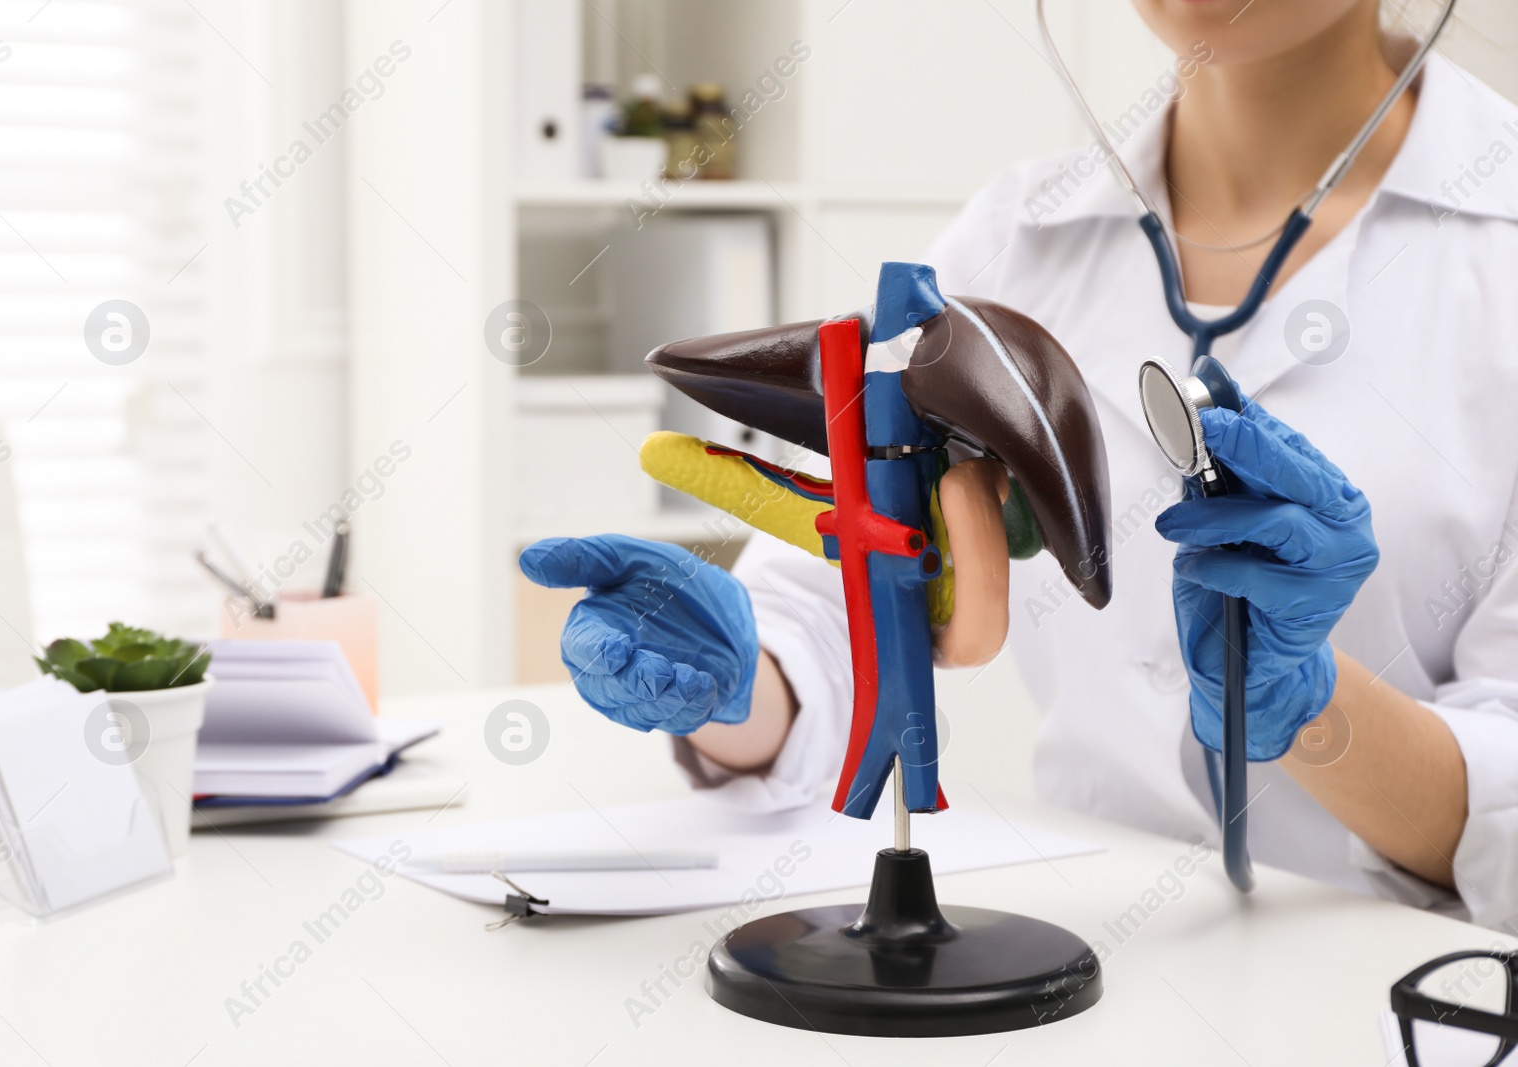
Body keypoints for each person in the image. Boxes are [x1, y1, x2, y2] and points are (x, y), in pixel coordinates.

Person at [521, 1, 1518, 929]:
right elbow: (828, 610)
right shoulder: (1013, 239)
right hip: (1091, 956)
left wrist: (1312, 704)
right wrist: (734, 685)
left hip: (1387, 988)